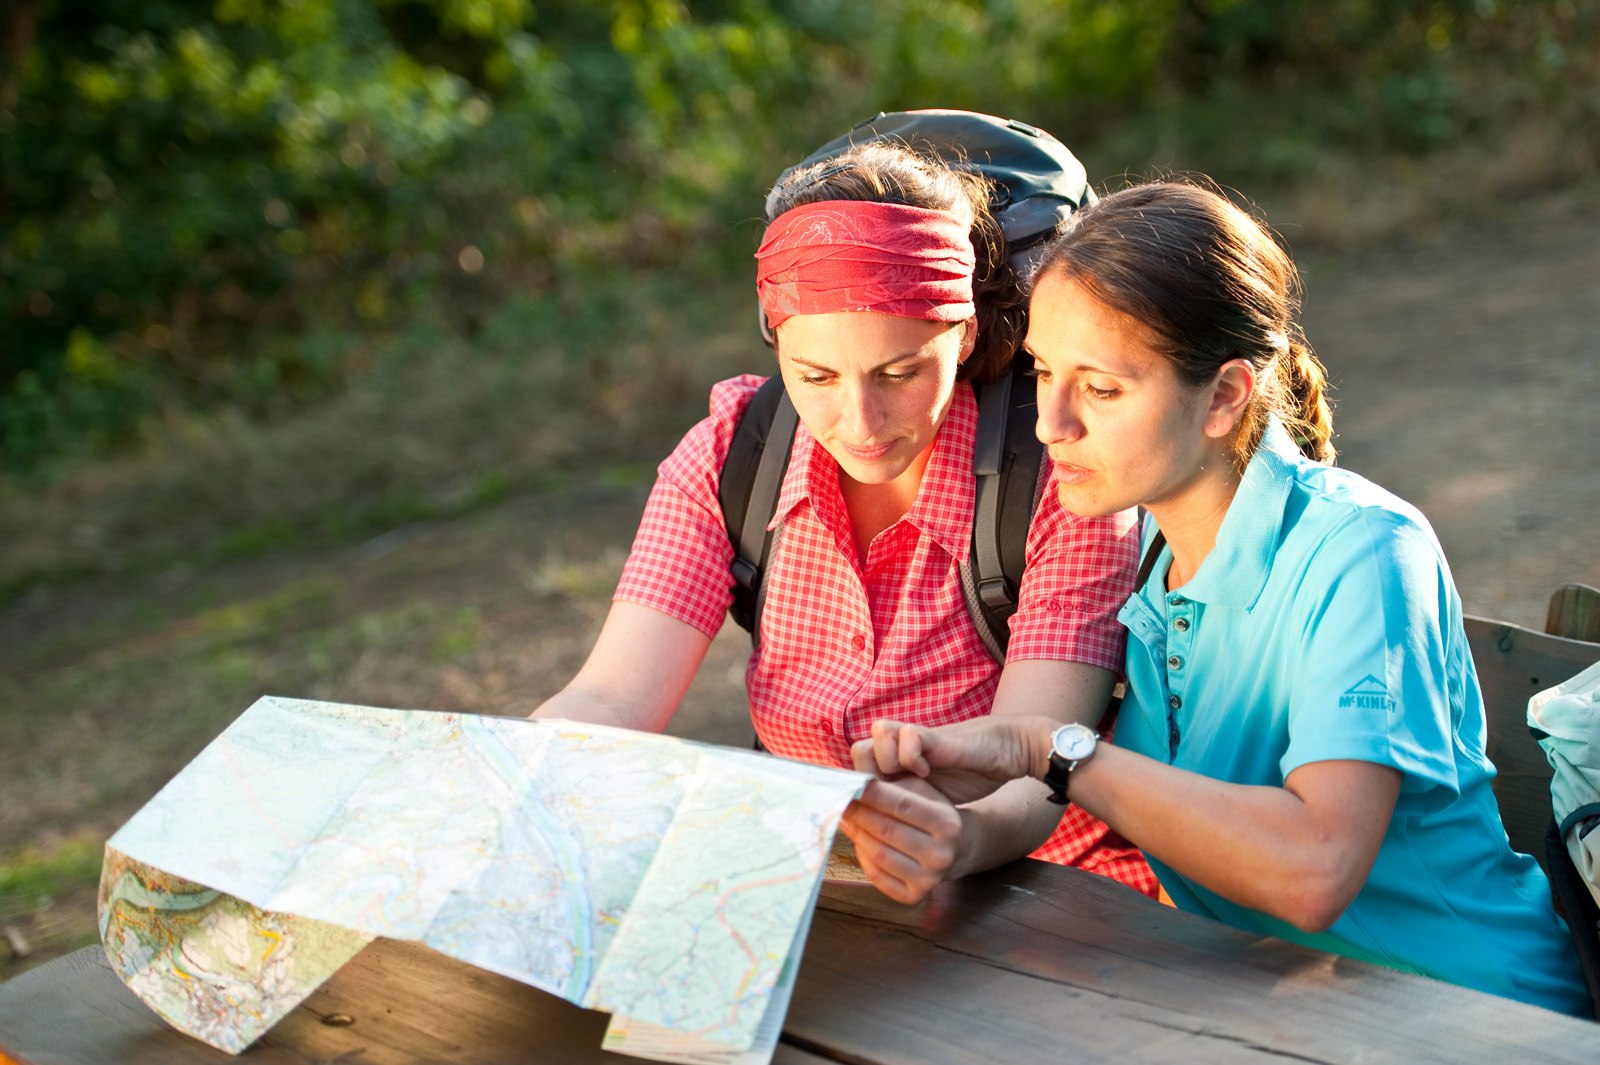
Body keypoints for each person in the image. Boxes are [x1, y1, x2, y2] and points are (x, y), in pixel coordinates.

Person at [852, 180, 1590, 1012]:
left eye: (1102, 389)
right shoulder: (1152, 561)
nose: (1050, 423)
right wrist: (957, 836)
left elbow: (1315, 868)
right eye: (1044, 372)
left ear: (1226, 395)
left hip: (1478, 1018)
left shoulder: (1364, 551)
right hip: (1289, 1013)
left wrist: (1050, 749)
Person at [533, 139, 1158, 904]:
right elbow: (609, 700)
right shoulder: (734, 456)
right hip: (824, 890)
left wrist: (960, 837)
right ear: (775, 341)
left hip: (1048, 892)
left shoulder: (1059, 476)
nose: (861, 421)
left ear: (963, 333)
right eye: (817, 376)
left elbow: (1040, 764)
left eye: (899, 372)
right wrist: (525, 774)